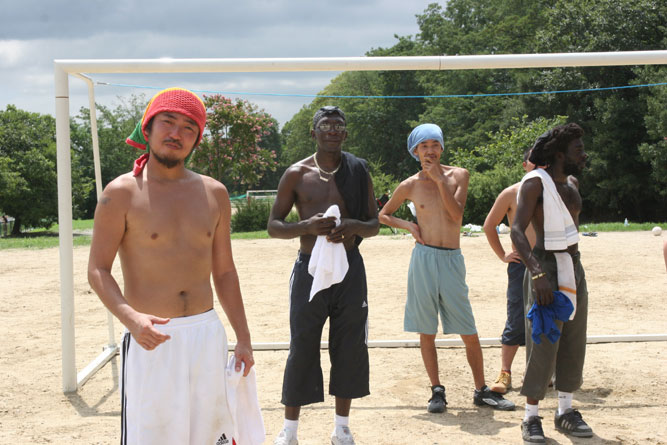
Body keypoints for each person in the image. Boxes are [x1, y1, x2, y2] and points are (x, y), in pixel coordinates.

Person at [87, 87, 255, 445]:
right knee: (153, 436)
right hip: (151, 337)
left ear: (197, 140)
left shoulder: (215, 193)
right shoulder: (121, 193)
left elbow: (225, 271)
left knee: (210, 434)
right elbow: (98, 269)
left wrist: (243, 338)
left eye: (189, 127)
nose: (177, 133)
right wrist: (132, 319)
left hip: (206, 333)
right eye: (168, 122)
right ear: (147, 128)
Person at [379, 123, 515, 414]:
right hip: (423, 258)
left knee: (468, 328)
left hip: (452, 258)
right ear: (415, 152)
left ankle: (481, 390)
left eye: (434, 145)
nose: (430, 151)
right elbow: (383, 214)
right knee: (426, 329)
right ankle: (437, 391)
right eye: (423, 146)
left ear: (442, 148)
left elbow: (456, 216)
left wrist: (440, 181)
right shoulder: (409, 185)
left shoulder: (459, 175)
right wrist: (408, 225)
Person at [267, 106, 379, 445]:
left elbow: (373, 224)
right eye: (326, 125)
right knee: (303, 344)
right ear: (313, 132)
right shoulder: (297, 173)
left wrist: (353, 226)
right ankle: (289, 430)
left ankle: (341, 427)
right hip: (309, 269)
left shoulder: (358, 170)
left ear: (346, 134)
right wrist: (306, 226)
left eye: (338, 126)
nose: (332, 130)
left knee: (349, 345)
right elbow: (274, 226)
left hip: (349, 268)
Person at [511, 123, 593, 444]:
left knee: (574, 338)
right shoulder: (535, 183)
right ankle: (530, 416)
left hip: (573, 265)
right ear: (560, 154)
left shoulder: (572, 183)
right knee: (543, 340)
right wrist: (536, 273)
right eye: (578, 150)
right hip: (545, 266)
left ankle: (565, 411)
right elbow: (517, 230)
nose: (584, 155)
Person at [482, 149, 536, 394]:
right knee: (516, 318)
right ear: (525, 165)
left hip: (547, 263)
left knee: (547, 317)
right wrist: (503, 254)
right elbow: (489, 225)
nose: (540, 166)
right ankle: (505, 372)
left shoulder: (553, 192)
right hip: (520, 265)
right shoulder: (511, 193)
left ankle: (540, 370)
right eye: (534, 162)